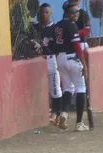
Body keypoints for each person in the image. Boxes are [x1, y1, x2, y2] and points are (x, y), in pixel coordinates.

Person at [50, 3, 90, 131]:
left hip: (60, 59)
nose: (77, 14)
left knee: (68, 87)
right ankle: (79, 123)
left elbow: (53, 45)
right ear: (67, 13)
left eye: (77, 11)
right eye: (74, 12)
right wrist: (84, 64)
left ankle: (63, 113)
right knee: (81, 88)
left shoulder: (57, 26)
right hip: (71, 58)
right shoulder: (72, 26)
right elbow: (77, 46)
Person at [33, 4, 64, 124]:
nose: (44, 14)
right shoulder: (35, 28)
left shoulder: (55, 29)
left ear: (50, 13)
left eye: (46, 12)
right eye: (42, 12)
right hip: (37, 60)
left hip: (51, 59)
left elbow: (56, 46)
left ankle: (57, 112)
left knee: (54, 87)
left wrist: (44, 48)